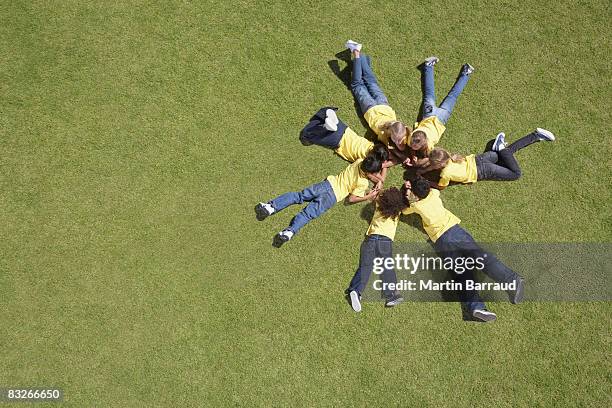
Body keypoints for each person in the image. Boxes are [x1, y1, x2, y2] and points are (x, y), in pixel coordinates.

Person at [376, 177, 526, 322]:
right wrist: (412, 187)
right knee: (483, 259)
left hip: (443, 241)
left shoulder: (415, 206)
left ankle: (477, 306)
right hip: (456, 232)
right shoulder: (433, 193)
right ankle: (511, 281)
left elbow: (404, 209)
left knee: (462, 274)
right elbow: (429, 188)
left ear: (416, 195)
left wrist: (405, 194)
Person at [255, 154, 383, 246]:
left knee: (298, 196)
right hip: (332, 198)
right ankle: (289, 232)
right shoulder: (363, 183)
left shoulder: (359, 161)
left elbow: (368, 172)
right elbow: (352, 198)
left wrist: (379, 180)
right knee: (307, 214)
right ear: (368, 174)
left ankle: (270, 207)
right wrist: (368, 196)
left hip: (326, 185)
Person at [418, 128, 556, 189]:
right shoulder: (451, 157)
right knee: (508, 153)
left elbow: (441, 186)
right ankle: (535, 135)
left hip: (483, 170)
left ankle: (500, 146)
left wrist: (427, 181)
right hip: (479, 159)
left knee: (516, 174)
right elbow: (434, 161)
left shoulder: (445, 174)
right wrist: (421, 169)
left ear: (438, 165)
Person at [345, 40, 412, 163]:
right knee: (357, 85)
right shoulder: (384, 134)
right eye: (396, 140)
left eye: (399, 140)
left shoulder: (403, 130)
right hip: (370, 108)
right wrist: (403, 156)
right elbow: (393, 151)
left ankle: (361, 57)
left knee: (370, 81)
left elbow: (401, 143)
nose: (398, 142)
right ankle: (356, 53)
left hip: (383, 104)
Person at [403, 56, 475, 166]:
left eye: (414, 147)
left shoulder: (427, 144)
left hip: (439, 117)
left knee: (451, 96)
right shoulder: (415, 138)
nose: (412, 147)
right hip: (431, 114)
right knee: (432, 94)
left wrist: (414, 163)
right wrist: (413, 155)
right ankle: (428, 66)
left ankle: (466, 73)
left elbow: (428, 160)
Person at [345, 188, 407, 312]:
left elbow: (376, 193)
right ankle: (391, 294)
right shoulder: (398, 210)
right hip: (385, 240)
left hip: (372, 238)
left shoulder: (380, 203)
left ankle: (356, 291)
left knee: (366, 267)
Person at [299, 107, 393, 184]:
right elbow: (379, 178)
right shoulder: (364, 159)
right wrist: (381, 178)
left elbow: (383, 164)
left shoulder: (371, 145)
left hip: (344, 129)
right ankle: (325, 128)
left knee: (322, 116)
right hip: (337, 140)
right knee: (305, 136)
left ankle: (331, 119)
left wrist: (385, 163)